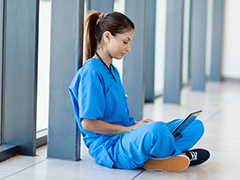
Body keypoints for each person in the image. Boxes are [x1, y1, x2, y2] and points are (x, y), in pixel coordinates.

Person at [68, 11, 210, 172]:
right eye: (125, 41)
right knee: (156, 131)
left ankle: (161, 155)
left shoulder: (112, 70)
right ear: (107, 37)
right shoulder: (91, 73)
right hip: (112, 147)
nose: (128, 48)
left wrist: (136, 124)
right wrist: (131, 129)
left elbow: (117, 118)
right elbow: (88, 123)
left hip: (127, 136)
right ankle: (173, 154)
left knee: (195, 126)